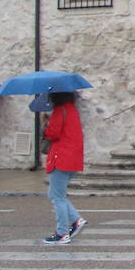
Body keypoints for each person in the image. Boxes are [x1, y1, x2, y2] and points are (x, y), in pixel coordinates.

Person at [41, 91, 86, 245]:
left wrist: (46, 125)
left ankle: (62, 232)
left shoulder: (60, 111)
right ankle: (75, 219)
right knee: (54, 194)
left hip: (61, 158)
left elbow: (53, 133)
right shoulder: (72, 110)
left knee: (57, 197)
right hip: (72, 158)